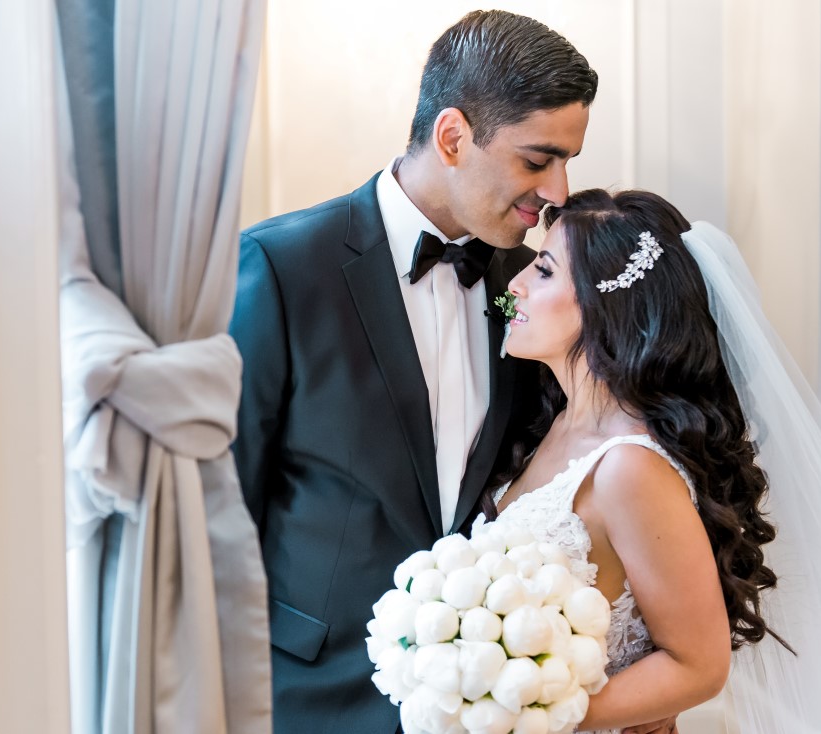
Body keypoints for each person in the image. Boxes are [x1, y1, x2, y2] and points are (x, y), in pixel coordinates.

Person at [229, 10, 598, 734]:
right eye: (538, 160)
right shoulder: (280, 267)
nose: (558, 190)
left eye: (568, 161)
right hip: (307, 698)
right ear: (453, 137)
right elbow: (222, 507)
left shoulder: (534, 287)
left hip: (484, 704)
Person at [490, 188, 821, 733]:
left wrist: (521, 711)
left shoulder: (629, 468)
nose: (516, 285)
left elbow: (698, 666)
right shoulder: (549, 421)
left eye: (545, 270)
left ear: (609, 309)